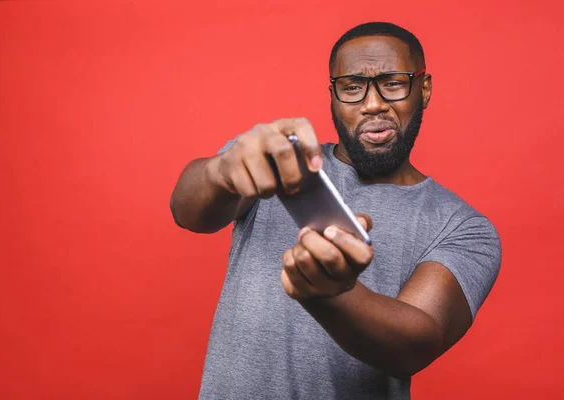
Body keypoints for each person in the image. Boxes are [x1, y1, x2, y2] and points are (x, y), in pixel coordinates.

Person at [170, 21, 501, 400]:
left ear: (423, 90)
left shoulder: (463, 228)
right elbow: (188, 213)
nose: (372, 104)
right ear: (333, 95)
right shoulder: (277, 161)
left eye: (393, 83)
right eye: (352, 87)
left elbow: (414, 344)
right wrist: (221, 171)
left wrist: (328, 294)